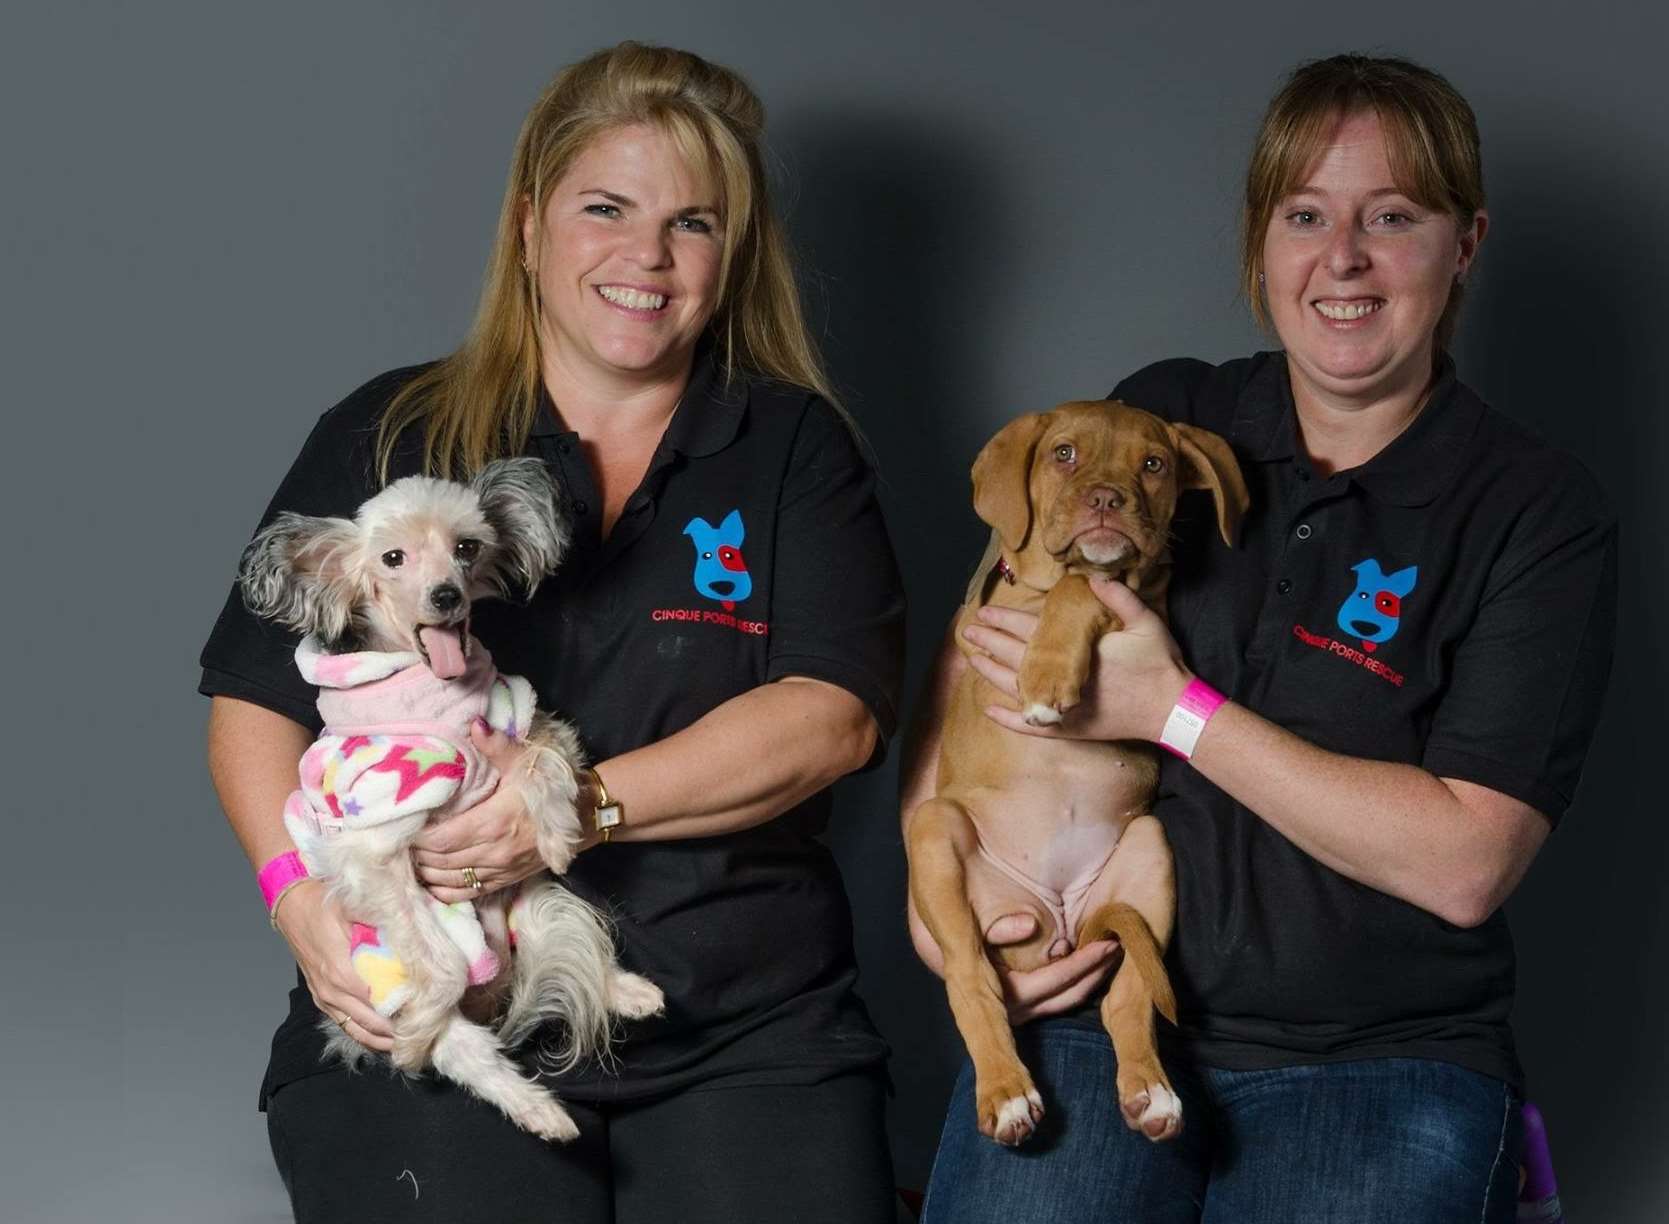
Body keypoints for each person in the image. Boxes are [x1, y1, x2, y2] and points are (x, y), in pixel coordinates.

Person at [903, 53, 1616, 1223]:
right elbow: (983, 627)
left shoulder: (1534, 510)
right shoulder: (1163, 418)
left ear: (1465, 242)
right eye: (1305, 215)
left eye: (1391, 216)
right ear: (1261, 244)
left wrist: (1171, 710)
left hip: (1377, 1056)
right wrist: (945, 917)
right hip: (1092, 1010)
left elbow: (1464, 864)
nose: (1342, 259)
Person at [201, 42, 904, 1224]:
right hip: (441, 985)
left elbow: (830, 718)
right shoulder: (385, 427)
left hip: (742, 1017)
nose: (647, 256)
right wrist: (299, 902)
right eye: (606, 209)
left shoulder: (794, 449)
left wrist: (566, 808)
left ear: (731, 256)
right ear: (529, 224)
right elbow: (253, 701)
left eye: (692, 223)